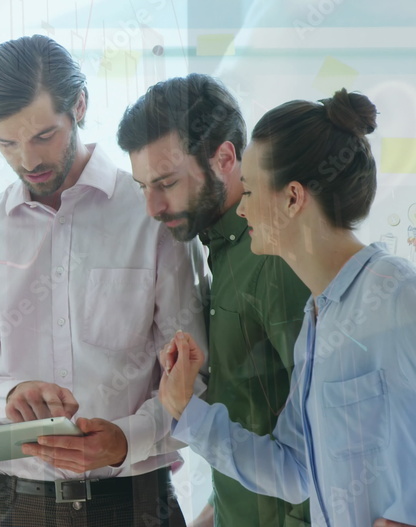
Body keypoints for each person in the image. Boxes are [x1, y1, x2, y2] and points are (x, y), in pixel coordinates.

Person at [0, 34, 208, 526]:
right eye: (6, 143)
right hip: (11, 508)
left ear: (79, 106)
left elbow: (196, 376)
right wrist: (5, 397)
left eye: (43, 136)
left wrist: (127, 438)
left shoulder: (153, 218)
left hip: (136, 505)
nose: (27, 160)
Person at [159, 89, 416, 527]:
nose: (240, 209)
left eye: (251, 191)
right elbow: (294, 470)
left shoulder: (396, 294)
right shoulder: (316, 321)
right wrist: (190, 412)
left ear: (293, 198)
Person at [117, 73, 312, 527]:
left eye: (166, 182)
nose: (152, 207)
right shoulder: (217, 251)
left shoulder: (274, 257)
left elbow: (323, 447)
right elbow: (252, 419)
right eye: (141, 186)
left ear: (226, 157)